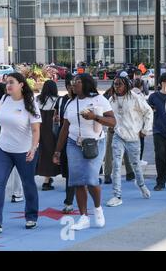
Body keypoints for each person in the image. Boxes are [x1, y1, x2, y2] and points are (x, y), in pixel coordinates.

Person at [53, 73, 116, 231]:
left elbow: (113, 121)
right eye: (73, 82)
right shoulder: (71, 103)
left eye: (78, 82)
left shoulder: (99, 99)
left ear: (86, 84)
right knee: (77, 181)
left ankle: (97, 208)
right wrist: (57, 151)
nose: (73, 84)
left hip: (94, 143)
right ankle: (83, 217)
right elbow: (65, 128)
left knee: (91, 179)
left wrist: (95, 117)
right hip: (73, 143)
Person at [0, 73, 41, 233]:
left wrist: (33, 148)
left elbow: (36, 130)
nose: (8, 85)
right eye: (6, 82)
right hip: (3, 149)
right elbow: (0, 123)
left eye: (11, 82)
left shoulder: (31, 102)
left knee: (28, 184)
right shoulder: (5, 100)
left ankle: (31, 217)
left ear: (21, 84)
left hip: (24, 150)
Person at [106, 76, 153, 207]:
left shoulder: (135, 97)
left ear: (126, 85)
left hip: (133, 137)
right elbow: (108, 116)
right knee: (116, 164)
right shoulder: (112, 99)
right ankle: (117, 195)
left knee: (136, 165)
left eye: (119, 84)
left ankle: (142, 185)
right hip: (118, 136)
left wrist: (145, 129)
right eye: (115, 84)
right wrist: (110, 127)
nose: (117, 87)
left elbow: (148, 112)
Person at [148, 73, 166, 191]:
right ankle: (160, 182)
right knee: (160, 156)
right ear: (161, 83)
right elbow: (148, 113)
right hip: (158, 131)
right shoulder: (153, 97)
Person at [103, 84, 135, 184]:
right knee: (109, 151)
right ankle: (107, 174)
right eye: (116, 86)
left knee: (126, 150)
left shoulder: (129, 99)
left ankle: (130, 172)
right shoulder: (111, 100)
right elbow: (107, 114)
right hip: (113, 128)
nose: (118, 88)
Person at [56, 75, 76, 214]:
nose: (71, 88)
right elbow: (62, 123)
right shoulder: (63, 101)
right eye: (69, 86)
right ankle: (69, 201)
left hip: (81, 140)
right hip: (65, 138)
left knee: (76, 173)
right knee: (69, 172)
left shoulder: (83, 101)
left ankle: (70, 200)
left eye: (73, 86)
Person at [36, 80, 61, 191]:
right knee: (54, 153)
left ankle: (46, 180)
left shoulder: (37, 99)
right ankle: (48, 180)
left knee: (43, 154)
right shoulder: (57, 100)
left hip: (40, 129)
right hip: (53, 130)